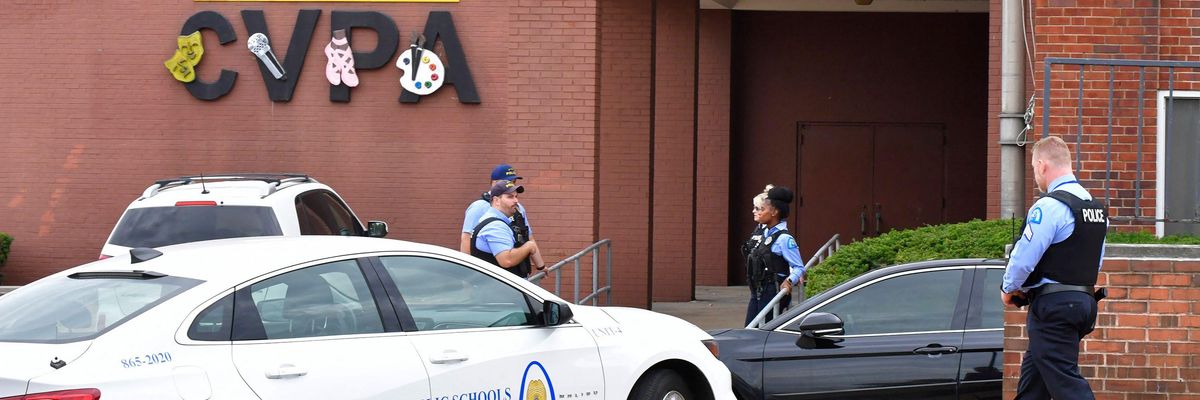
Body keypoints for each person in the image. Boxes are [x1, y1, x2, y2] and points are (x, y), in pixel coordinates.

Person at [1001, 136, 1107, 400]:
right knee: (1033, 386)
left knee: (1066, 384)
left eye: (1035, 170)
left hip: (1054, 308)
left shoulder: (1050, 206)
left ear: (1041, 165)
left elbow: (1023, 258)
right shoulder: (1095, 209)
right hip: (1082, 303)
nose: (1036, 176)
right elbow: (1097, 260)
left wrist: (1009, 288)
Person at [743, 185, 806, 326]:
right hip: (757, 291)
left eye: (762, 209)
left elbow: (798, 267)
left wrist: (789, 281)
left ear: (774, 212)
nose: (758, 212)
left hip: (772, 292)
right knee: (750, 328)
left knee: (764, 330)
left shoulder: (784, 239)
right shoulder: (763, 233)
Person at [471, 180, 545, 277]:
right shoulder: (495, 226)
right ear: (496, 200)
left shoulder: (498, 221)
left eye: (516, 196)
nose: (516, 201)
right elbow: (507, 260)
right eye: (510, 197)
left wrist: (541, 267)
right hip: (497, 290)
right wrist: (529, 246)